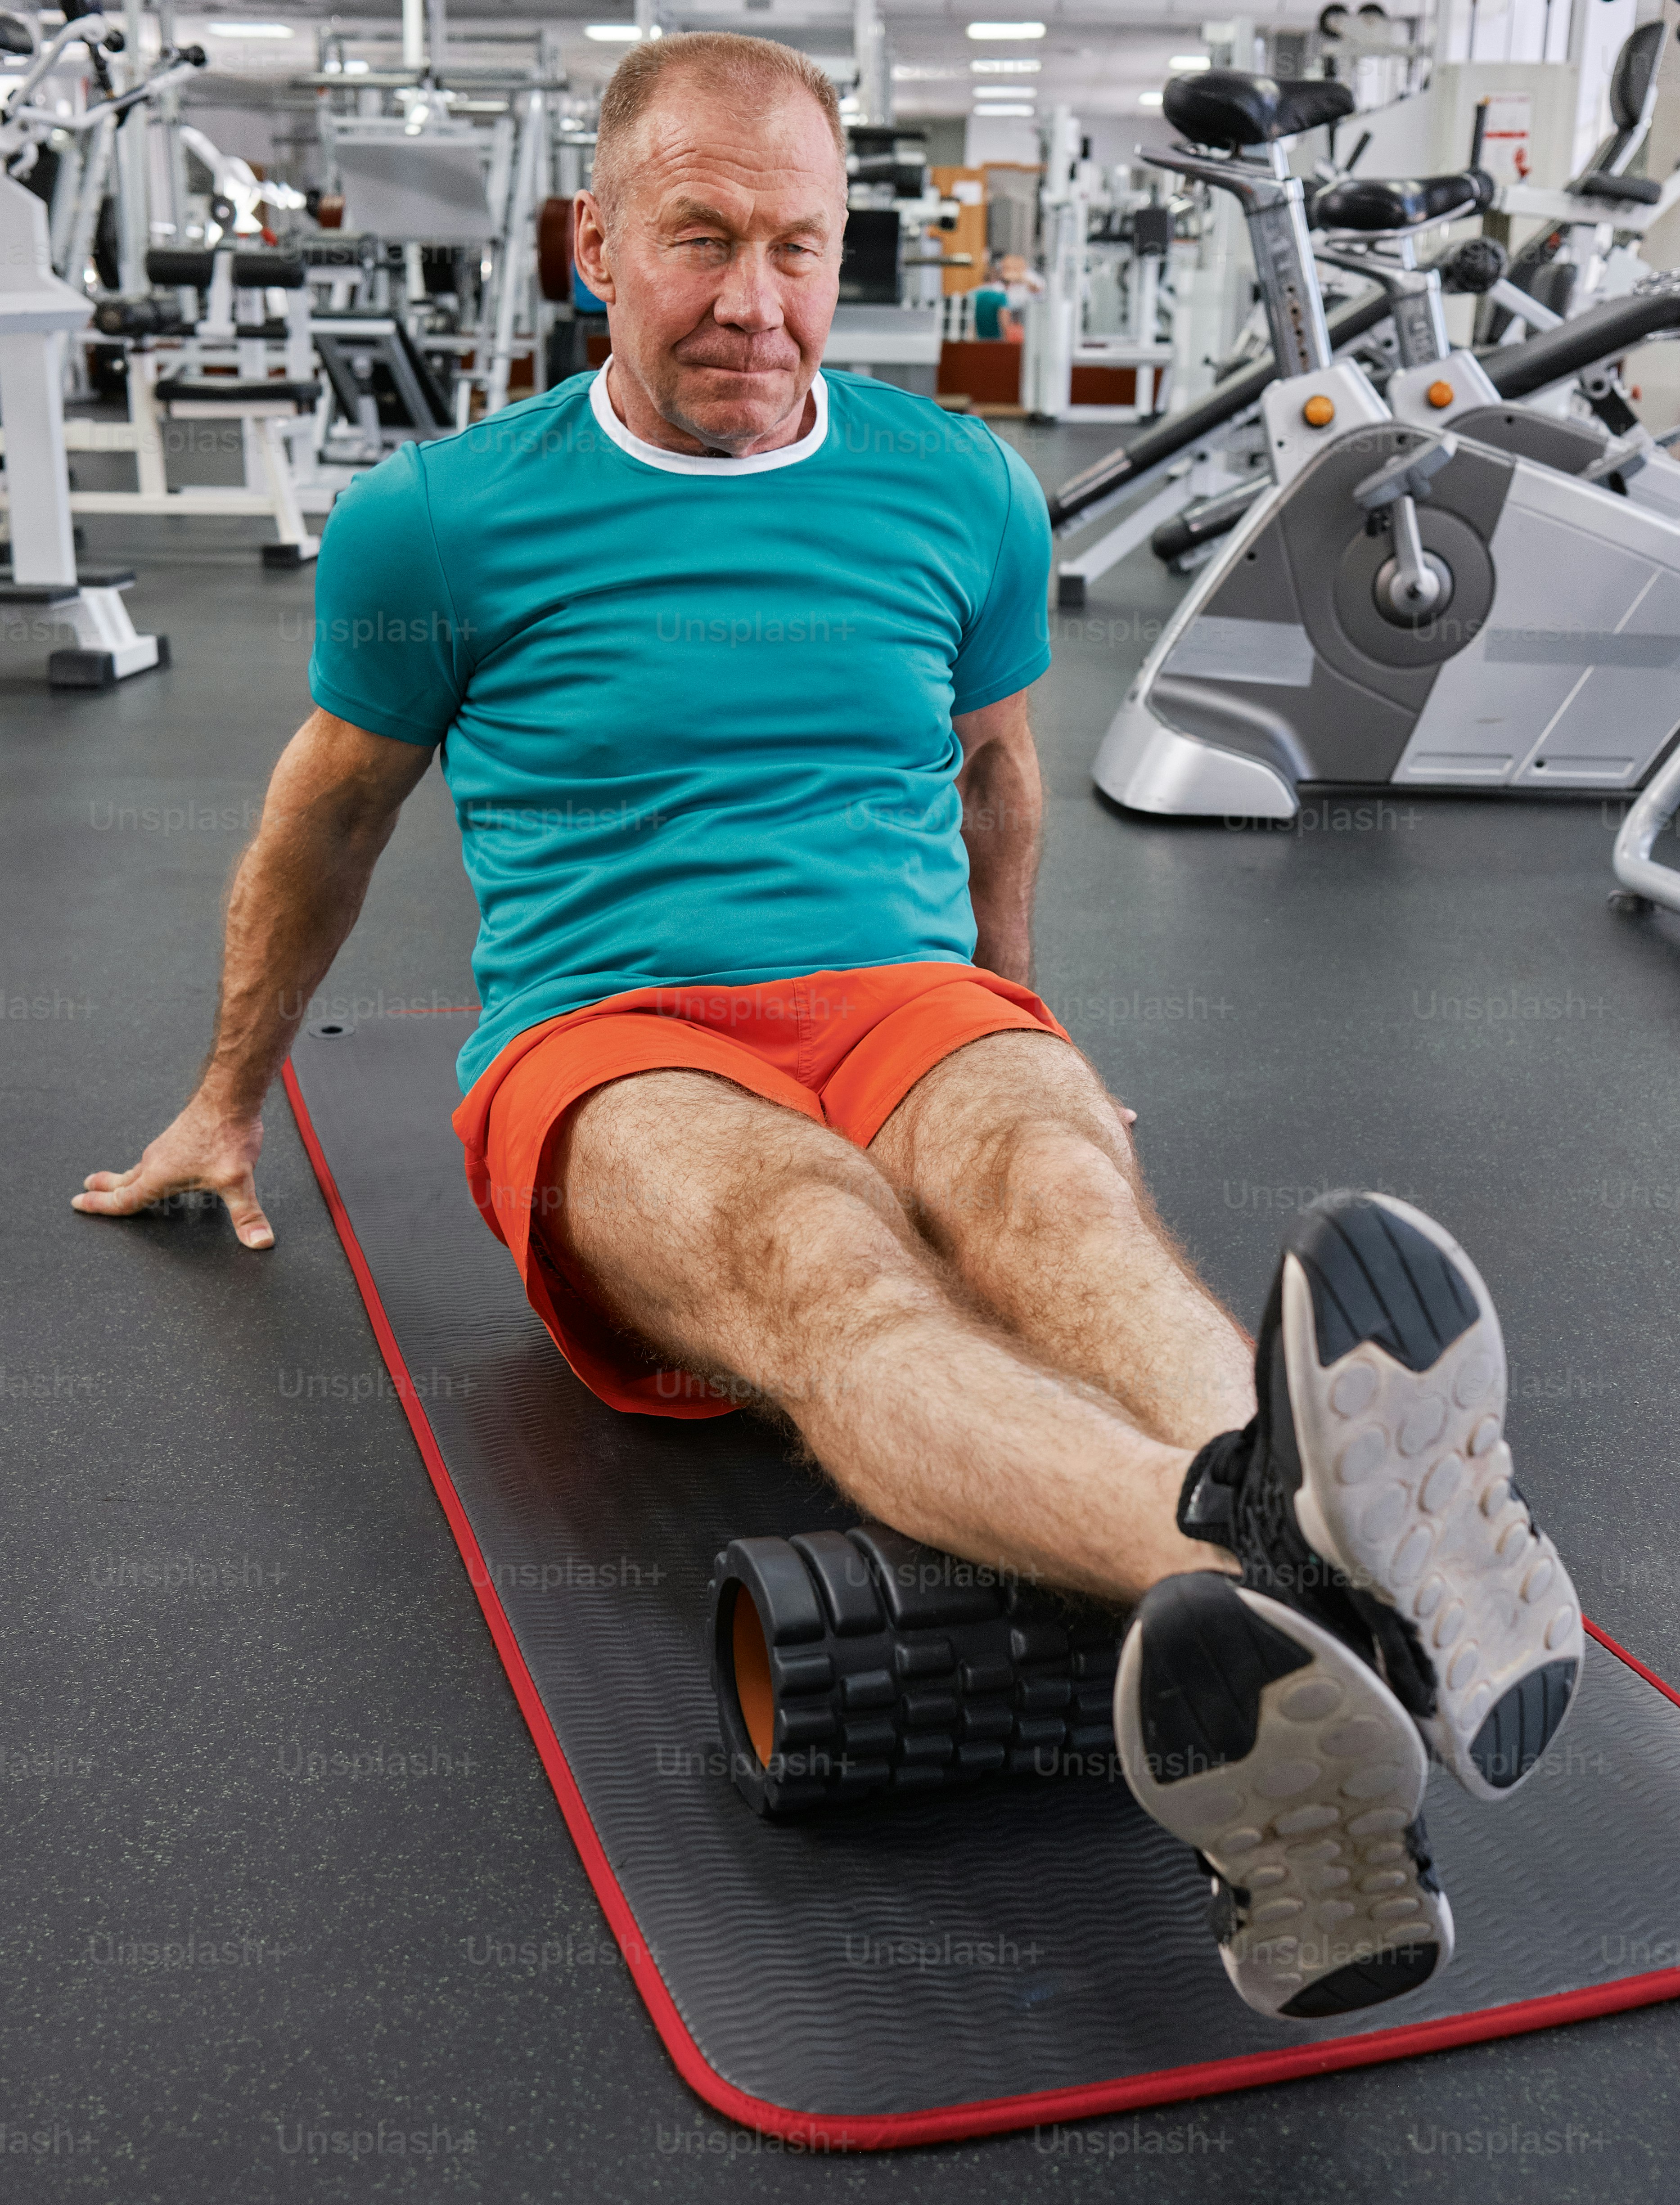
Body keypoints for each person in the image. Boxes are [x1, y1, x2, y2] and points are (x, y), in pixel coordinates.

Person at [72, 32, 1581, 2021]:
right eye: (701, 240)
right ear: (593, 241)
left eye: (799, 244)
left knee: (1055, 1179)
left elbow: (997, 782)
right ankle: (1307, 1568)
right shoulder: (439, 522)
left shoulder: (957, 484)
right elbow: (323, 819)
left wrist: (1019, 1027)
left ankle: (1293, 1601)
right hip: (615, 1037)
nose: (758, 301)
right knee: (818, 1256)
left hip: (906, 997)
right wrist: (223, 1100)